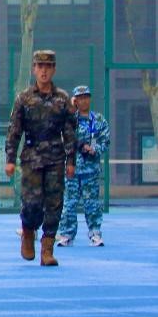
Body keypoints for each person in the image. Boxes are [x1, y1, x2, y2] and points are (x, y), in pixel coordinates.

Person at [4, 49, 75, 266]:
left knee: (55, 203)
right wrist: (10, 159)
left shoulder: (62, 99)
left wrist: (71, 161)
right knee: (32, 202)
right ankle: (28, 231)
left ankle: (47, 249)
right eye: (40, 66)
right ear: (34, 69)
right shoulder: (24, 98)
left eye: (48, 67)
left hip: (55, 158)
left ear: (54, 70)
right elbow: (14, 130)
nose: (44, 71)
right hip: (31, 157)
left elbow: (70, 131)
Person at [57, 85, 109, 247]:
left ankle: (95, 233)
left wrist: (95, 149)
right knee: (69, 204)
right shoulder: (70, 119)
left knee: (92, 204)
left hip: (91, 170)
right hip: (71, 169)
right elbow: (62, 136)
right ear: (75, 100)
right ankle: (67, 235)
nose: (83, 101)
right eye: (79, 98)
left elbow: (105, 141)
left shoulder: (99, 120)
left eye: (86, 97)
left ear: (90, 99)